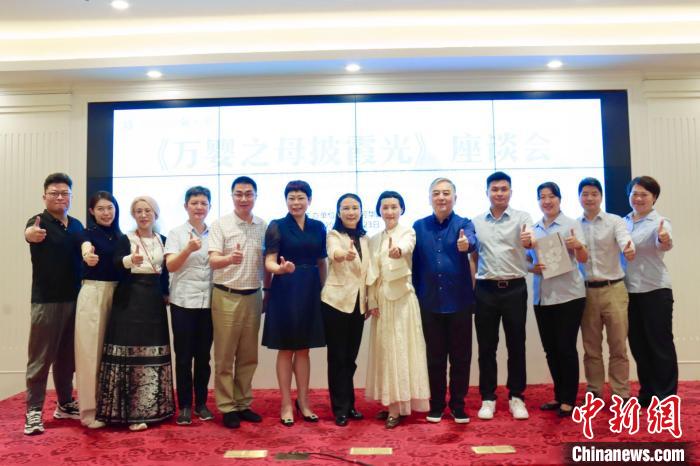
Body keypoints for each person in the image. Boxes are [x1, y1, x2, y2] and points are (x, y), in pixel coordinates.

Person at [96, 196, 174, 431]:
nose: (143, 215)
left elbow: (166, 272)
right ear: (133, 215)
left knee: (153, 352)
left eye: (147, 210)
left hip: (154, 302)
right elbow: (115, 263)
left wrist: (166, 292)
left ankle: (152, 409)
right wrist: (131, 259)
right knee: (128, 354)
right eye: (138, 211)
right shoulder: (125, 239)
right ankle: (127, 413)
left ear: (155, 214)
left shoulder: (163, 240)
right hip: (129, 300)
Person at [262, 180, 327, 426]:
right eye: (291, 198)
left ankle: (304, 401)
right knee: (286, 348)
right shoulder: (277, 226)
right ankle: (286, 403)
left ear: (309, 200)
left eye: (301, 198)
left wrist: (323, 290)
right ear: (286, 201)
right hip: (285, 289)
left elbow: (322, 262)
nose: (296, 203)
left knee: (304, 349)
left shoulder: (318, 227)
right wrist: (279, 269)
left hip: (310, 289)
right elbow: (269, 261)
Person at [23, 173, 83, 435]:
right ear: (44, 196)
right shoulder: (38, 221)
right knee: (40, 358)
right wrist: (31, 234)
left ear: (71, 196)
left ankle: (65, 403)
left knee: (67, 358)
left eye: (65, 193)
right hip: (46, 301)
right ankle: (33, 412)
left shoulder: (77, 225)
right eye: (54, 193)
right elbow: (30, 234)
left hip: (75, 299)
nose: (60, 197)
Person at [412, 177, 476, 424]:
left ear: (455, 198)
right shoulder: (419, 226)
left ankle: (458, 405)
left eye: (446, 193)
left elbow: (472, 241)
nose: (441, 197)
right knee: (434, 358)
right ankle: (437, 404)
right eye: (436, 193)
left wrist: (466, 244)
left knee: (461, 358)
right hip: (429, 302)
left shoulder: (464, 224)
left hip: (459, 302)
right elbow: (413, 264)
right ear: (430, 198)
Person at [472, 171, 534, 421]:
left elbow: (530, 243)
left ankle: (516, 397)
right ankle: (488, 398)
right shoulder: (476, 222)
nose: (499, 193)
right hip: (485, 289)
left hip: (514, 288)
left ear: (510, 192)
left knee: (516, 345)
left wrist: (529, 242)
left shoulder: (523, 218)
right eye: (495, 189)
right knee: (486, 347)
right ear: (487, 192)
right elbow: (473, 256)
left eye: (504, 189)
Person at [209, 176, 270, 429]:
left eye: (248, 194)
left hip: (253, 295)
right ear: (232, 196)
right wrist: (228, 259)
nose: (244, 198)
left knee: (248, 356)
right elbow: (213, 260)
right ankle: (227, 406)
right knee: (224, 357)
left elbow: (267, 261)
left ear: (255, 196)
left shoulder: (263, 226)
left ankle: (243, 403)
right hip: (226, 295)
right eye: (239, 194)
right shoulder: (220, 224)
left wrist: (267, 290)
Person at [365, 191, 430, 429]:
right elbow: (371, 274)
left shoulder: (408, 232)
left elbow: (406, 247)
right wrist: (372, 301)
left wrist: (398, 251)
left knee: (401, 350)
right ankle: (391, 402)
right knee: (386, 351)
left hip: (402, 300)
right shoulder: (374, 239)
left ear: (401, 209)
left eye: (394, 207)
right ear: (379, 211)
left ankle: (398, 407)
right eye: (385, 207)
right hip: (383, 301)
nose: (390, 211)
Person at [527, 182, 588, 417]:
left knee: (565, 348)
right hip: (542, 297)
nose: (547, 201)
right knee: (551, 350)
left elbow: (583, 258)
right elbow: (525, 260)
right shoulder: (532, 229)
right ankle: (559, 394)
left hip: (569, 296)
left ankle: (569, 399)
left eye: (551, 196)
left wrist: (578, 246)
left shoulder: (572, 225)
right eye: (542, 197)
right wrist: (533, 268)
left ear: (559, 199)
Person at [578, 177, 635, 401]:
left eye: (594, 193)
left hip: (614, 290)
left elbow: (625, 240)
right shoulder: (574, 225)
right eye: (585, 194)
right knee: (591, 348)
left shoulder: (615, 221)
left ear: (601, 196)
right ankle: (594, 392)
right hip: (586, 292)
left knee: (618, 345)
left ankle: (621, 392)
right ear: (579, 198)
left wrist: (628, 249)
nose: (589, 198)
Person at [623, 176, 677, 407]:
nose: (638, 198)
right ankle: (648, 391)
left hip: (655, 289)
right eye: (634, 193)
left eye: (644, 194)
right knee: (638, 344)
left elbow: (664, 242)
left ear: (654, 197)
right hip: (628, 290)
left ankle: (666, 395)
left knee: (659, 343)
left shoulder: (661, 222)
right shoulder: (623, 222)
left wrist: (664, 239)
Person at [321, 193, 372, 427]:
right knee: (338, 358)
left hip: (358, 305)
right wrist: (344, 254)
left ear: (361, 211)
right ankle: (340, 408)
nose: (351, 212)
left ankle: (350, 404)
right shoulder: (334, 235)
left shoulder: (365, 239)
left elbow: (368, 273)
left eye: (355, 208)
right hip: (336, 304)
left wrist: (370, 301)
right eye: (346, 208)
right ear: (338, 212)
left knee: (350, 359)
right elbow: (334, 253)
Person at [165, 186, 214, 425]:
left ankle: (201, 403)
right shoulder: (176, 233)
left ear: (209, 207)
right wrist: (188, 249)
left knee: (203, 357)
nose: (199, 207)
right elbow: (170, 266)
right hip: (183, 301)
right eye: (194, 203)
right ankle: (184, 405)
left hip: (209, 302)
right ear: (186, 206)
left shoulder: (216, 233)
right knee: (184, 357)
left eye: (203, 203)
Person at [75, 191, 122, 428]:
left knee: (115, 355)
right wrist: (88, 256)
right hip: (94, 292)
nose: (106, 213)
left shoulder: (120, 236)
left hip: (119, 295)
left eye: (110, 207)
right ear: (92, 212)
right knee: (89, 353)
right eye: (101, 209)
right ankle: (89, 412)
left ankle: (112, 409)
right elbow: (86, 248)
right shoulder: (87, 234)